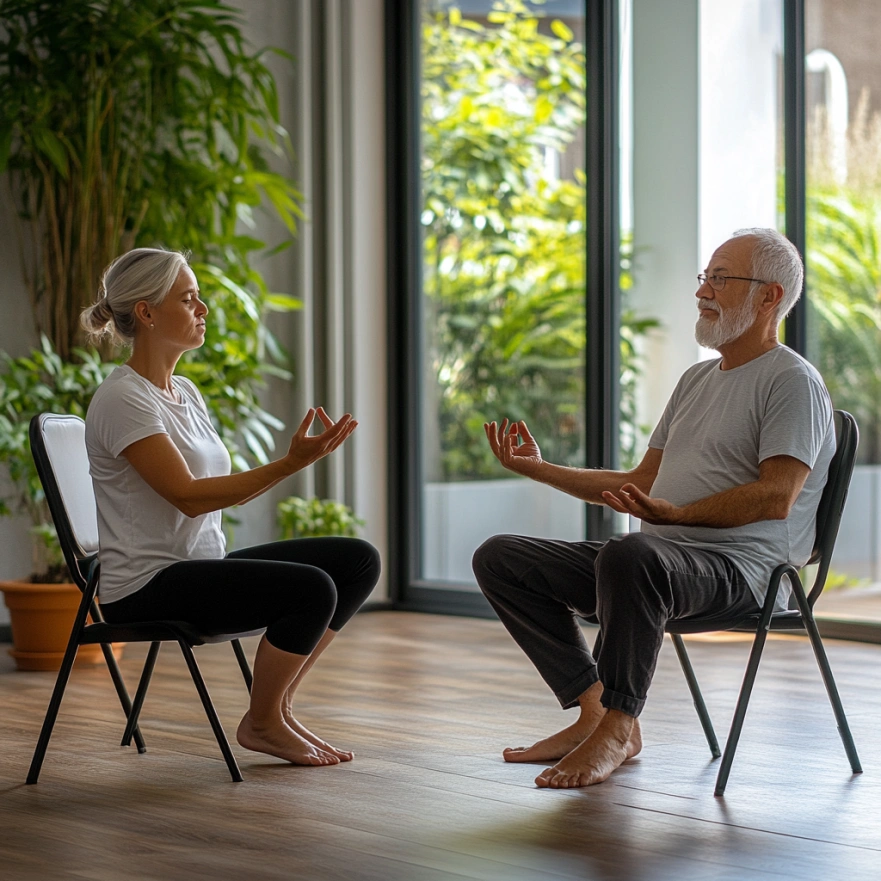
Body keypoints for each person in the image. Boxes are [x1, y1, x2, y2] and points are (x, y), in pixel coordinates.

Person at [472, 228, 835, 789]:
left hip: (748, 572)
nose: (703, 292)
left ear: (770, 296)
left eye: (721, 278)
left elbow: (776, 497)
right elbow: (639, 483)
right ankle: (594, 712)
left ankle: (619, 725)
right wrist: (536, 469)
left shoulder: (792, 382)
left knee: (632, 554)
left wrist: (677, 517)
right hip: (658, 564)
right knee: (501, 557)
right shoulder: (695, 380)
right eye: (704, 278)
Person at [80, 248, 380, 768]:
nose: (204, 308)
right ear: (147, 313)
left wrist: (291, 463)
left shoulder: (185, 392)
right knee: (312, 589)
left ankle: (277, 707)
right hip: (147, 587)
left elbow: (210, 488)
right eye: (189, 297)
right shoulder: (122, 398)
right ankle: (261, 722)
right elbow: (190, 497)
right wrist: (290, 464)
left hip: (198, 569)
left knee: (357, 559)